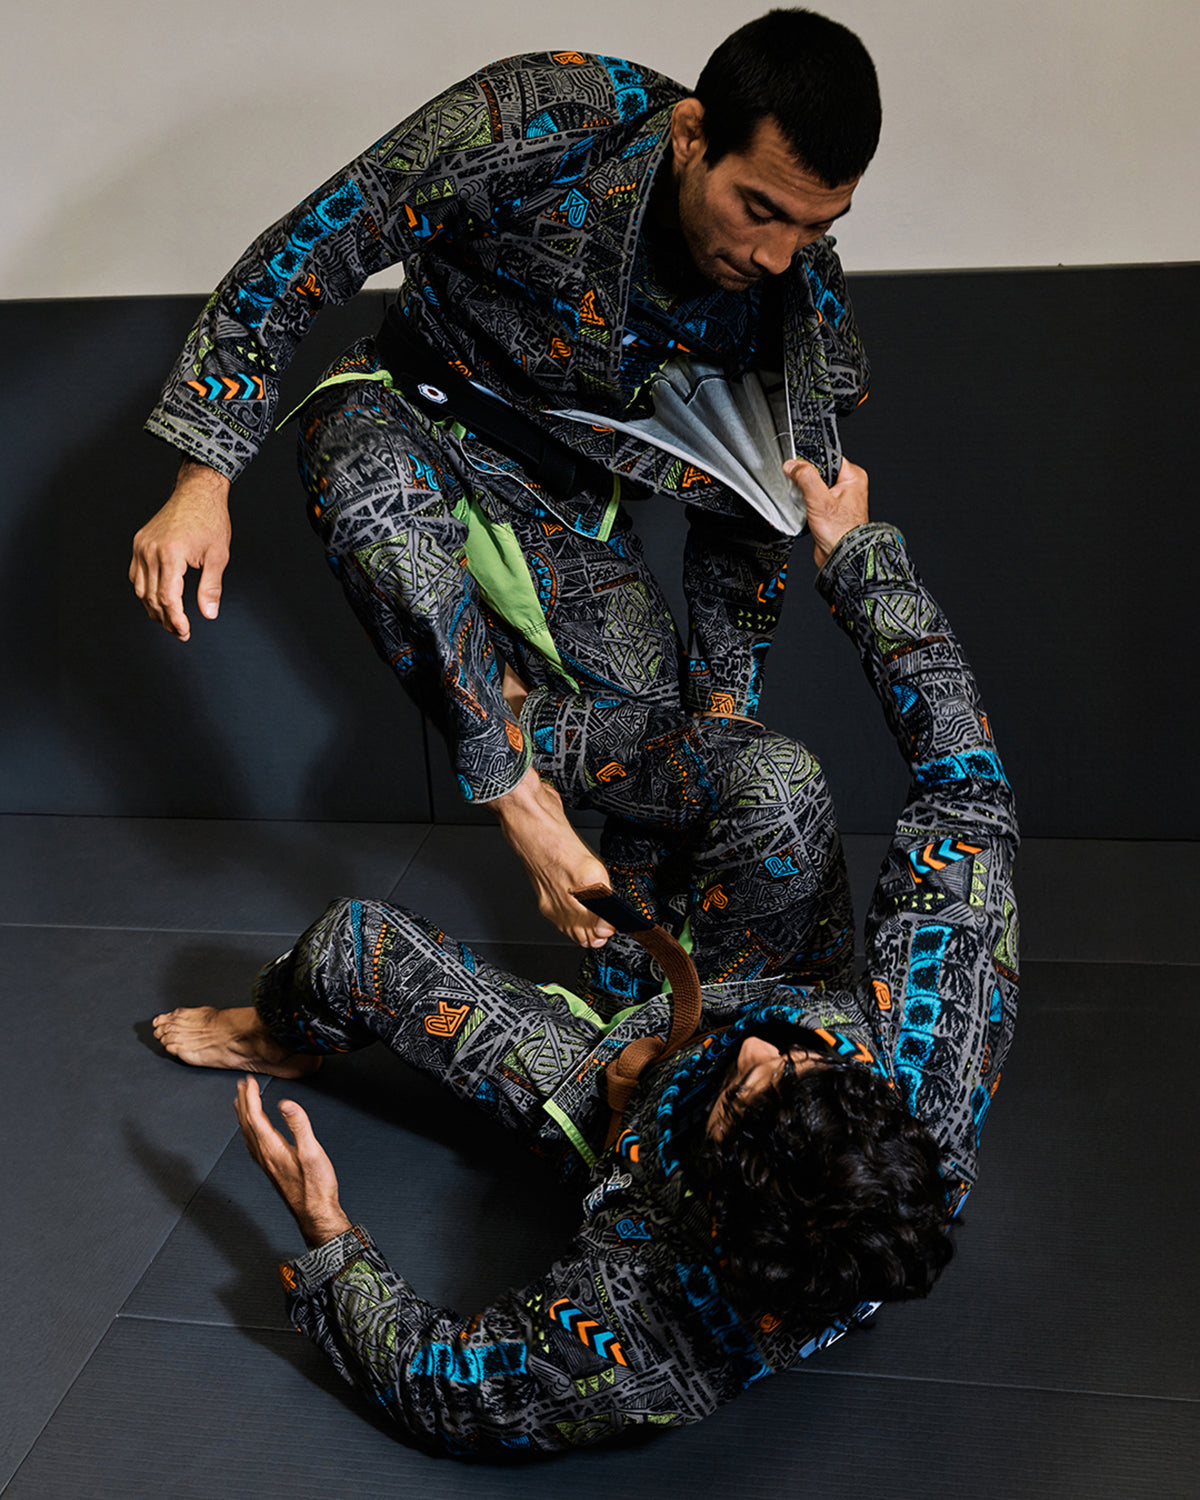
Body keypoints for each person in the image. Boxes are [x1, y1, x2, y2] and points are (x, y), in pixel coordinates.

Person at [153, 457, 1020, 1456]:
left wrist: (329, 1233)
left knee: (352, 951)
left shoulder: (655, 1329)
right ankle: (518, 730)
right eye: (791, 1065)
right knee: (778, 783)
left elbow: (451, 1392)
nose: (752, 1055)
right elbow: (969, 793)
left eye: (745, 1095)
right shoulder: (930, 1058)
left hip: (623, 1112)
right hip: (775, 977)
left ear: (716, 1210)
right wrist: (859, 558)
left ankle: (279, 1032)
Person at [130, 11, 882, 957]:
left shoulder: (796, 299)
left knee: (657, 742)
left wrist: (718, 744)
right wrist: (203, 477)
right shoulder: (542, 114)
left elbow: (748, 528)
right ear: (693, 135)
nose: (776, 252)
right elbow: (309, 250)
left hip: (558, 502)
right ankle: (523, 803)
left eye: (816, 225)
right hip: (401, 408)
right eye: (760, 209)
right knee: (375, 495)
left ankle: (629, 1000)